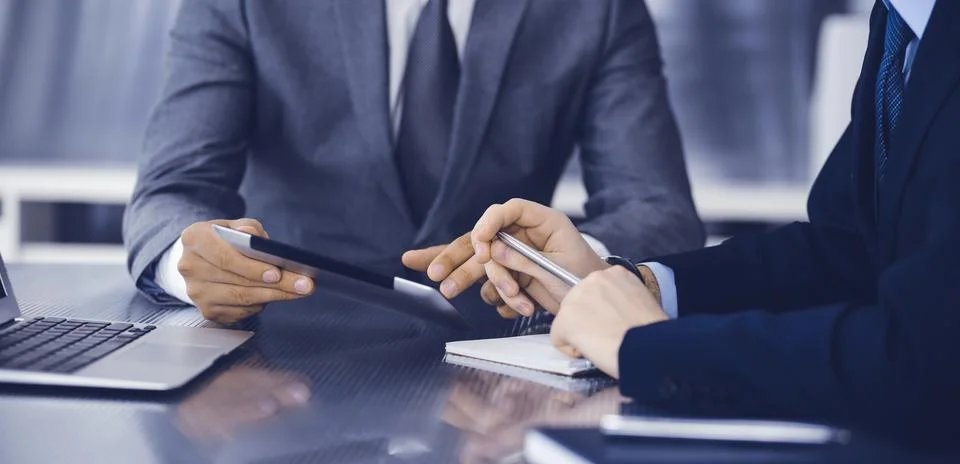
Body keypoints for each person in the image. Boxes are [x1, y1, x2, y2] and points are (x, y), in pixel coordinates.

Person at [404, 0, 960, 432]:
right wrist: (630, 284)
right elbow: (848, 250)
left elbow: (923, 360)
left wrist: (652, 347)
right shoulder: (905, 24)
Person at [122, 0, 704, 323]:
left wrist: (571, 270)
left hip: (501, 353)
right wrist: (188, 262)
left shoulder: (595, 11)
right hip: (285, 341)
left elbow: (657, 207)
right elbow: (173, 187)